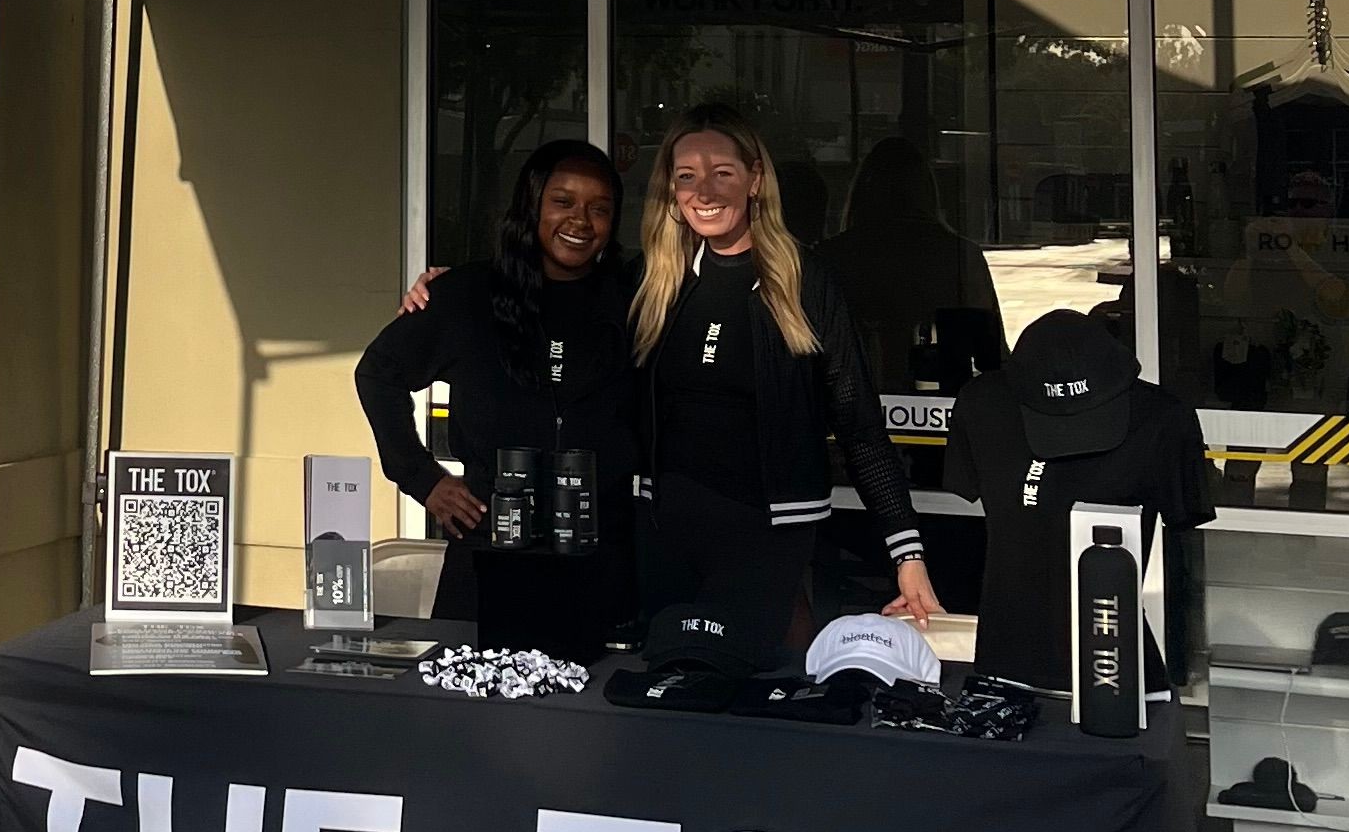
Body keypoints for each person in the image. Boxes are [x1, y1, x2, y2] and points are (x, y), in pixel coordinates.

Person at [635, 114, 938, 666]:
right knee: (662, 694)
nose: (703, 191)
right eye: (686, 176)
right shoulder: (655, 278)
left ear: (754, 180)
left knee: (737, 691)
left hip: (764, 536)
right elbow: (553, 298)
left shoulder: (805, 280)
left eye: (721, 173)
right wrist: (442, 289)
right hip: (664, 532)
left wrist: (906, 551)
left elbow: (859, 425)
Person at [356, 137, 637, 660]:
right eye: (563, 201)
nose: (580, 220)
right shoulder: (467, 295)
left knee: (596, 722)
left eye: (599, 208)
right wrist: (422, 478)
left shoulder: (635, 298)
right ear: (532, 204)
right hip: (490, 551)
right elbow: (378, 374)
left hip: (604, 557)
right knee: (467, 723)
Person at [944, 304, 1212, 691]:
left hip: (1117, 672)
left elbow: (1186, 549)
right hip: (1005, 668)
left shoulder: (1164, 418)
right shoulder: (980, 405)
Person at [814, 135, 1002, 391]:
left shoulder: (830, 257)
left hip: (851, 404)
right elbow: (991, 356)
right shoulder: (959, 255)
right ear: (926, 191)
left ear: (862, 191)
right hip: (942, 407)